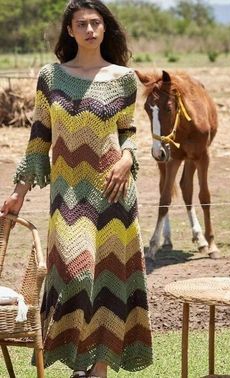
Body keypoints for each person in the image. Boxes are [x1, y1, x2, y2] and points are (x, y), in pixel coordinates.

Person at [0, 0, 153, 377]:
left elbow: (127, 132)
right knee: (77, 272)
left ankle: (95, 368)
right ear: (70, 30)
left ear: (105, 28)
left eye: (95, 23)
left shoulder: (123, 78)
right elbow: (39, 138)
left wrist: (127, 158)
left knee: (109, 281)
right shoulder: (51, 77)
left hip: (114, 193)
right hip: (68, 197)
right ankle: (79, 358)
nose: (89, 29)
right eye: (81, 24)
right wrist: (19, 191)